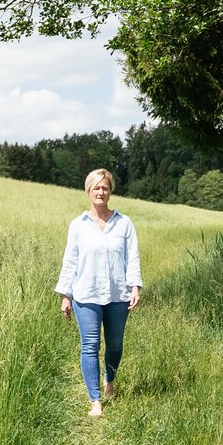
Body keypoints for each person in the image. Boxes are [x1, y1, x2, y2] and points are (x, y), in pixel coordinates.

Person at [55, 168, 143, 417]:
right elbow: (70, 261)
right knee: (90, 345)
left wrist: (135, 285)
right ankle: (95, 400)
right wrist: (66, 294)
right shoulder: (78, 225)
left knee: (114, 344)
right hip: (86, 294)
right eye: (96, 188)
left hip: (118, 294)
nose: (101, 192)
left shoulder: (124, 223)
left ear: (110, 191)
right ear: (88, 191)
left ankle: (110, 380)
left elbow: (132, 257)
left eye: (105, 188)